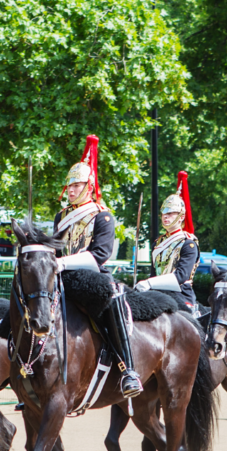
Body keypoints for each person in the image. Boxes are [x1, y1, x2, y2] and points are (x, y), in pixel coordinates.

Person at [54, 135, 142, 398]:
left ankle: (128, 370)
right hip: (62, 276)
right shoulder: (61, 216)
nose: (70, 189)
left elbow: (99, 256)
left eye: (77, 184)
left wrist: (61, 262)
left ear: (89, 186)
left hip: (91, 276)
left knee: (113, 297)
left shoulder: (102, 216)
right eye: (69, 185)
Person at [136, 171, 199, 309]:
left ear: (181, 217)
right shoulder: (157, 243)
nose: (165, 217)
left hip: (180, 295)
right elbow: (155, 274)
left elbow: (181, 276)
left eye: (170, 213)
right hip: (157, 293)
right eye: (164, 213)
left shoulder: (188, 244)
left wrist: (149, 283)